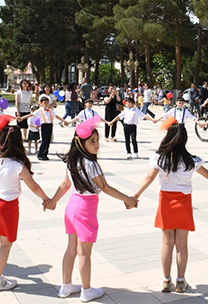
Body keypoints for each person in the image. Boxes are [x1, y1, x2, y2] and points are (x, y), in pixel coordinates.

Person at [133, 121, 208, 293]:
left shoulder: (160, 158)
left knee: (167, 243)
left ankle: (166, 281)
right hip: (184, 204)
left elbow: (149, 178)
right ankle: (180, 281)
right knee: (182, 245)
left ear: (168, 138)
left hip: (165, 203)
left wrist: (135, 196)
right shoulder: (191, 161)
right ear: (185, 139)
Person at [46, 118, 138, 302]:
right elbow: (105, 187)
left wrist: (52, 201)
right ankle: (86, 290)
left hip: (72, 207)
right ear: (81, 143)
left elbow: (65, 185)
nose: (97, 145)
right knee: (84, 253)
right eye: (92, 141)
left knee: (71, 248)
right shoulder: (91, 164)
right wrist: (127, 199)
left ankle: (66, 286)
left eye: (97, 140)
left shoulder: (72, 160)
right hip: (85, 210)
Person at [0, 119, 51, 292]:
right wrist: (46, 199)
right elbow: (33, 186)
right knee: (5, 244)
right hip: (8, 207)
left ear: (0, 140)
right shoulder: (18, 165)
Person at [18, 95, 65, 160]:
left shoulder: (50, 110)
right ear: (41, 103)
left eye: (47, 103)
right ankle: (40, 154)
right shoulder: (39, 110)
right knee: (44, 141)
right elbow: (31, 115)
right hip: (44, 125)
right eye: (45, 102)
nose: (46, 104)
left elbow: (56, 116)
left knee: (48, 141)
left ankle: (45, 154)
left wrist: (64, 121)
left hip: (49, 125)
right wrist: (22, 118)